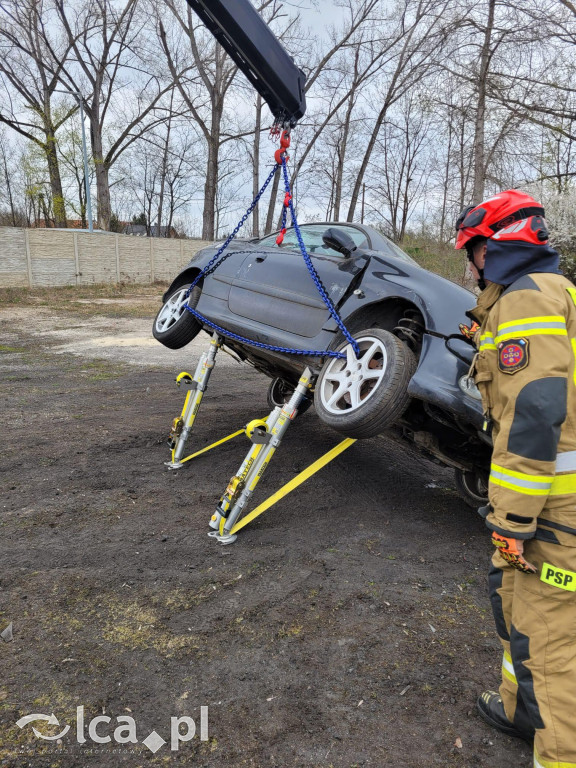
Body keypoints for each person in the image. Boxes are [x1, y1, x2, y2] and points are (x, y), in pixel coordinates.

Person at [455, 189, 576, 768]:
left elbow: (535, 414)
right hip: (540, 501)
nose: (471, 262)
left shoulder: (529, 303)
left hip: (553, 506)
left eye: (474, 250)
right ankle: (520, 709)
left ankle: (558, 754)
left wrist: (514, 520)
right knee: (513, 607)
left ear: (499, 245)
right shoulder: (531, 298)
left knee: (548, 636)